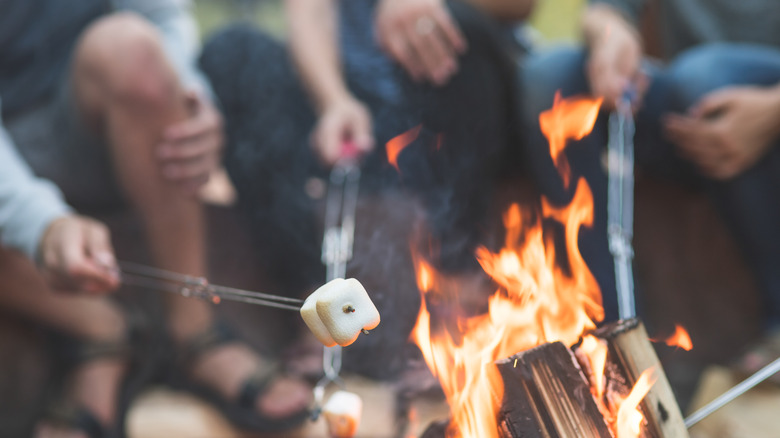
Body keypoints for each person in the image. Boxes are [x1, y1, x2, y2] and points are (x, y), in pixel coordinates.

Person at [0, 0, 310, 436]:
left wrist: (192, 96)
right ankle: (101, 329)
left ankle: (195, 334)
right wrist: (41, 224)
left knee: (129, 46)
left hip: (91, 119)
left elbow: (160, 17)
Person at [199, 0, 534, 379]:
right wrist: (333, 102)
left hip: (448, 109)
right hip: (359, 115)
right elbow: (308, 12)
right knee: (234, 53)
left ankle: (455, 300)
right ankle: (322, 313)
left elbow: (521, 6)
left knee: (454, 26)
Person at [521, 0, 780, 367]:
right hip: (686, 113)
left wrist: (771, 112)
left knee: (702, 77)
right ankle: (611, 348)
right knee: (551, 76)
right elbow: (607, 10)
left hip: (745, 103)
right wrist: (614, 36)